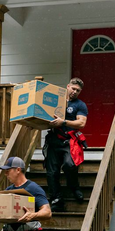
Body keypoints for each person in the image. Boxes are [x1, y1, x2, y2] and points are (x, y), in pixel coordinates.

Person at [44, 77, 88, 210]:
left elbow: (81, 123)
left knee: (70, 165)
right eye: (73, 88)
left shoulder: (80, 105)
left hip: (69, 141)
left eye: (78, 90)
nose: (75, 92)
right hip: (53, 140)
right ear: (67, 86)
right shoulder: (55, 100)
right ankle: (57, 199)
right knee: (52, 172)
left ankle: (74, 187)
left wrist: (63, 122)